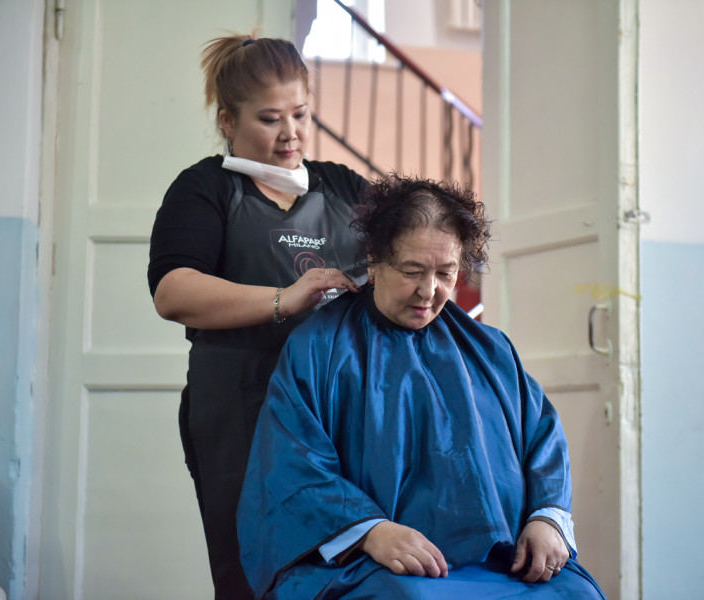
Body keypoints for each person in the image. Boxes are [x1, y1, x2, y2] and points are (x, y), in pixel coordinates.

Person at [237, 175, 606, 599]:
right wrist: (370, 531)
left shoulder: (492, 349)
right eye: (412, 271)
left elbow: (542, 438)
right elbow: (293, 464)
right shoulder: (319, 348)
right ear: (374, 261)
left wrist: (547, 517)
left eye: (446, 273)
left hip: (503, 560)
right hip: (367, 561)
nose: (429, 292)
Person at [147, 33, 369, 599]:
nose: (290, 133)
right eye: (270, 119)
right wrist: (283, 299)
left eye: (300, 113)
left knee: (350, 567)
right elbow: (173, 291)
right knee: (254, 573)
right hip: (243, 408)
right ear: (228, 120)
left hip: (337, 408)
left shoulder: (344, 187)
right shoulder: (205, 189)